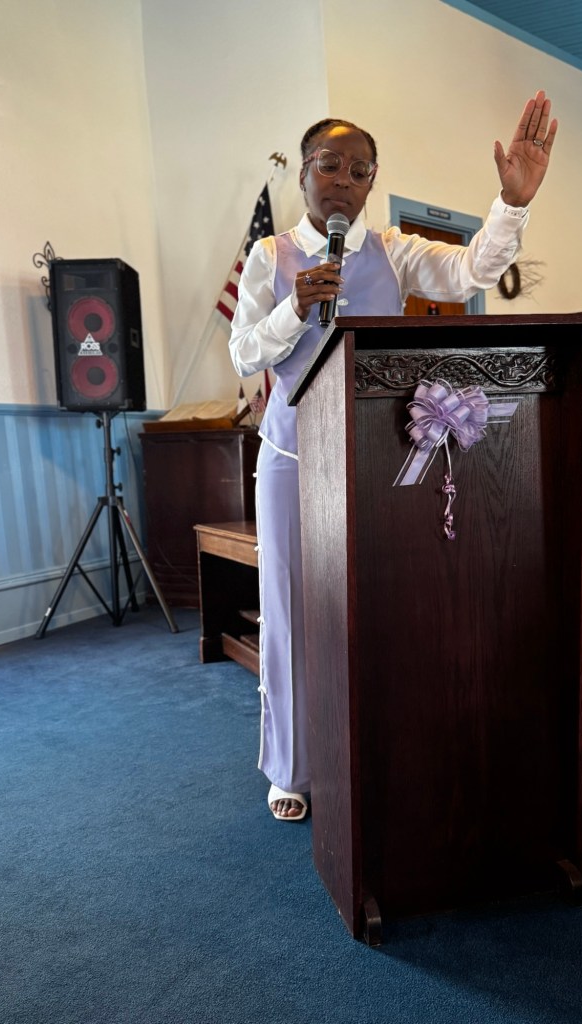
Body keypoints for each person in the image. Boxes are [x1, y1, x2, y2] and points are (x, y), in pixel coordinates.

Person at [229, 91, 558, 821]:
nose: (343, 181)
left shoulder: (391, 251)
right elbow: (244, 352)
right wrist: (294, 307)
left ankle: (375, 746)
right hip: (289, 455)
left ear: (371, 183)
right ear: (303, 174)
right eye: (329, 165)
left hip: (372, 458)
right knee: (290, 611)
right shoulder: (270, 256)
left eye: (360, 171)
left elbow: (471, 271)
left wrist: (511, 203)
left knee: (379, 604)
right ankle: (291, 767)